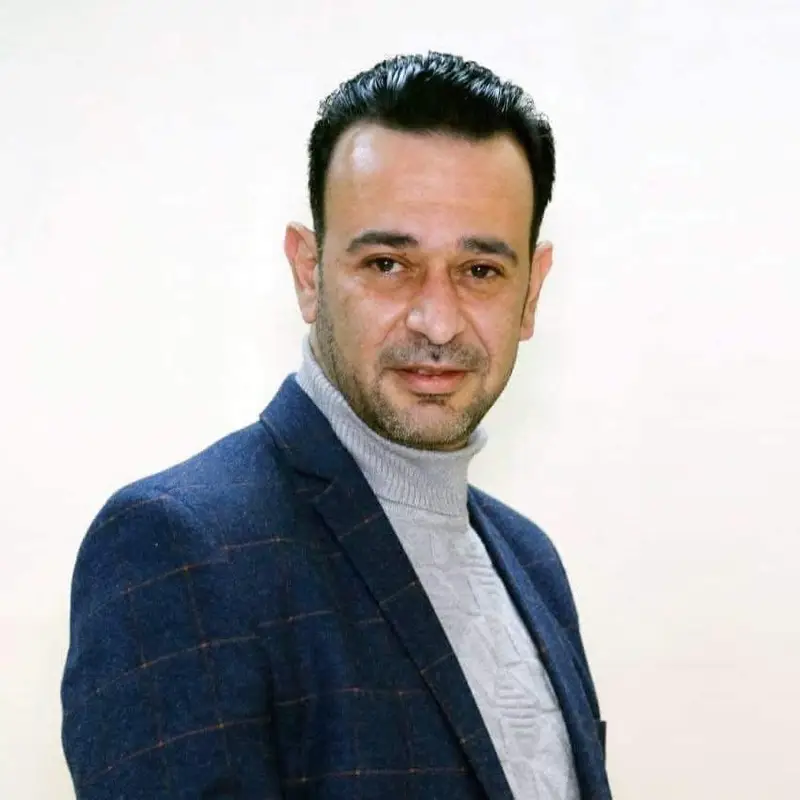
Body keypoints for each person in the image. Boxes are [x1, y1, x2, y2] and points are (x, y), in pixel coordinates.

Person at [61, 51, 611, 799]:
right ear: (308, 272)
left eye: (480, 271)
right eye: (388, 264)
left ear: (532, 292)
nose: (437, 321)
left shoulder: (531, 561)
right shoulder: (178, 547)